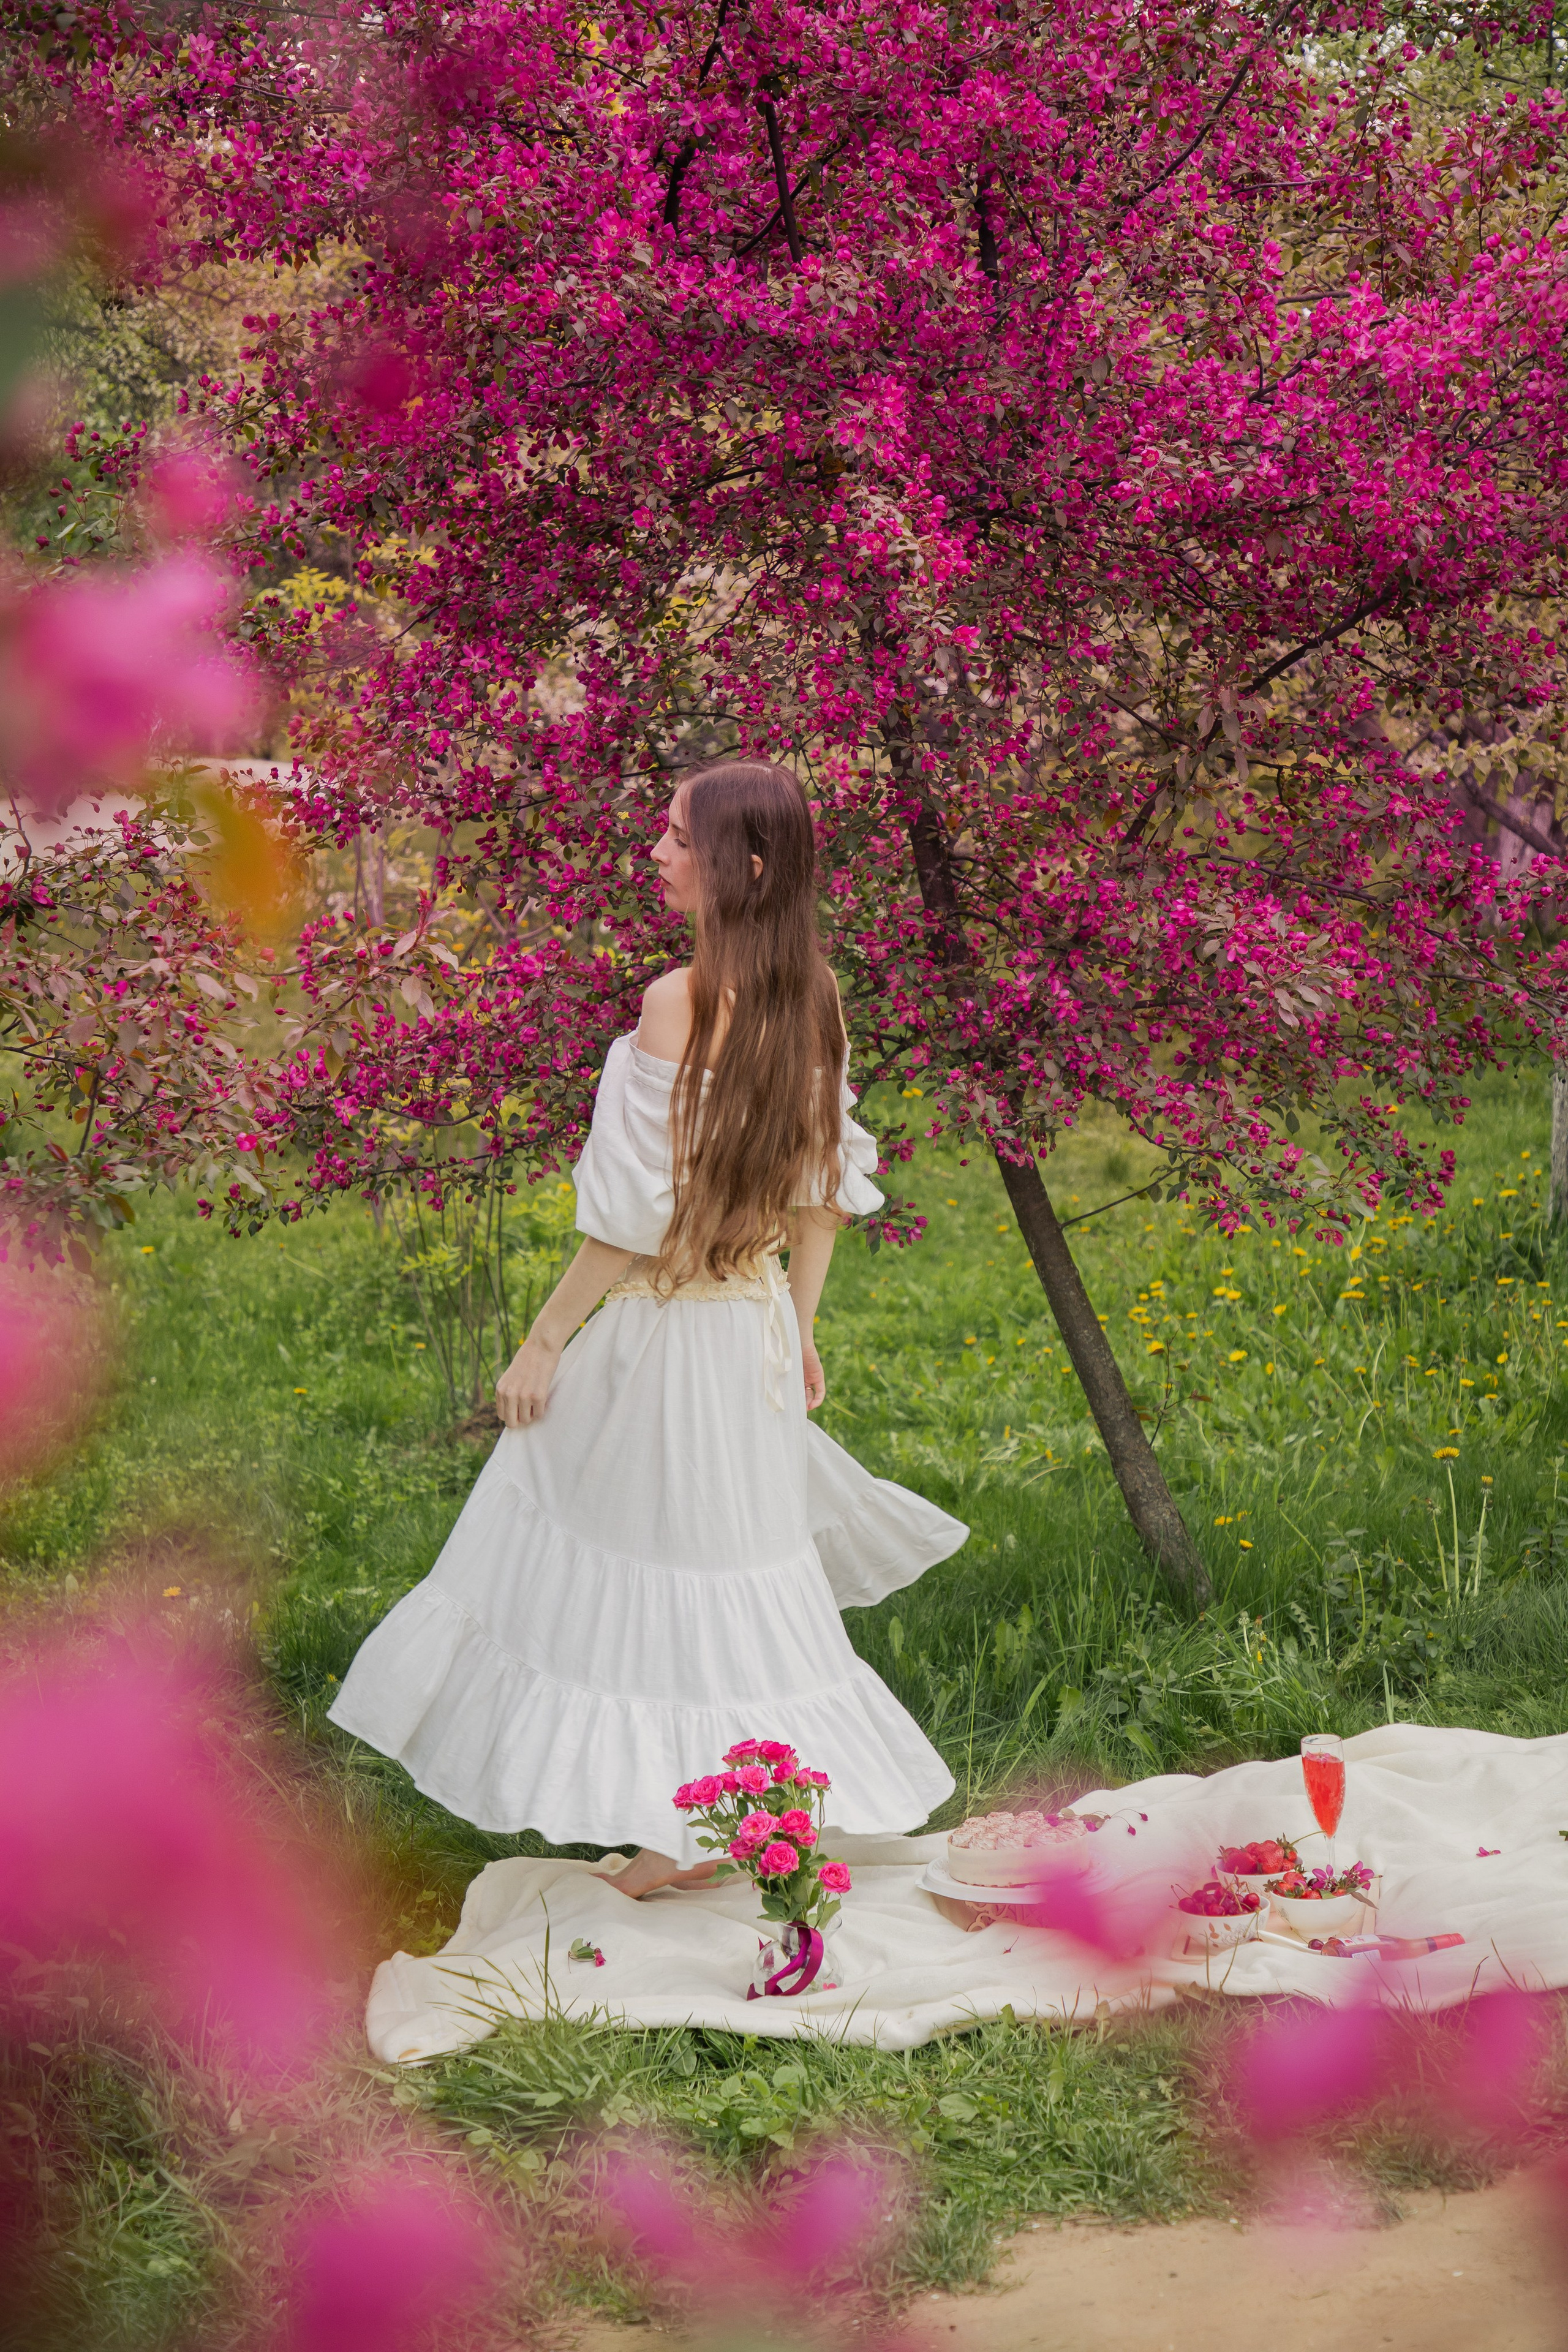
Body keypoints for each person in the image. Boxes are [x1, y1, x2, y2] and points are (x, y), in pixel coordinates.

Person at [328, 758, 967, 1898]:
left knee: (619, 1550)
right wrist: (803, 1331)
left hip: (673, 1336)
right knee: (706, 1565)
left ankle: (684, 1826)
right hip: (753, 1333)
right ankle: (697, 1826)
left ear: (745, 865)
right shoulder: (815, 992)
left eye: (677, 838)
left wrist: (543, 1341)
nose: (655, 854)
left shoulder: (680, 999)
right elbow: (824, 1198)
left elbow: (633, 1218)